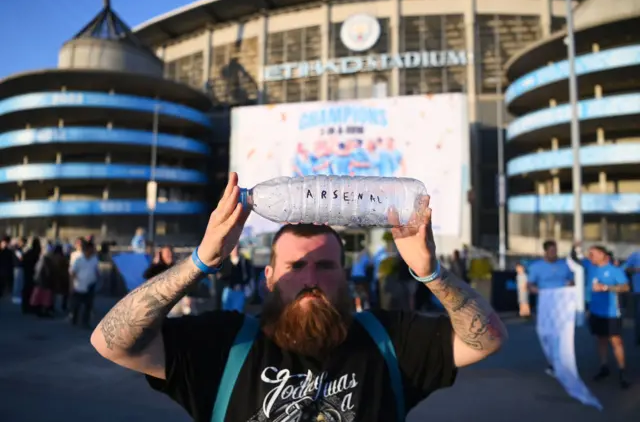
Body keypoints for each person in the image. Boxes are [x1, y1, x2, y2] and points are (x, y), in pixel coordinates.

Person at [90, 173, 507, 422]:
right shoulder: (224, 345)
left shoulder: (389, 342)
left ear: (344, 276)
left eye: (325, 267)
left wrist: (430, 272)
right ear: (268, 278)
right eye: (294, 267)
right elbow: (110, 342)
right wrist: (199, 262)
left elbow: (486, 339)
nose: (311, 279)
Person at [527, 240, 574, 376]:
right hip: (545, 303)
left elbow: (571, 281)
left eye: (555, 250)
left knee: (561, 333)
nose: (554, 253)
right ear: (546, 251)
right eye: (551, 251)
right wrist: (538, 291)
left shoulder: (563, 265)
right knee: (545, 333)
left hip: (562, 304)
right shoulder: (537, 267)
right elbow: (530, 285)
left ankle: (560, 362)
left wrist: (569, 286)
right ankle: (551, 359)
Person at [587, 246, 631, 389]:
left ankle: (622, 371)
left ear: (602, 255)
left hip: (611, 312)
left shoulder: (614, 270)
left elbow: (625, 287)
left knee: (616, 341)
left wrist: (606, 288)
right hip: (595, 311)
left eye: (592, 254)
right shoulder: (591, 268)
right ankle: (603, 367)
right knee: (601, 340)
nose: (590, 257)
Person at [69, 241, 100, 328]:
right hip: (79, 285)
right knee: (76, 305)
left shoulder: (94, 259)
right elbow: (72, 273)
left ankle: (85, 322)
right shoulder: (79, 260)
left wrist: (97, 277)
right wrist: (72, 285)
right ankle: (74, 319)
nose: (93, 250)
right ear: (87, 249)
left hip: (90, 285)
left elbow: (96, 270)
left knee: (88, 305)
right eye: (92, 249)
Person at [622, 250, 640, 345]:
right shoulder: (635, 255)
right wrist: (636, 270)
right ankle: (638, 339)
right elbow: (625, 268)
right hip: (638, 290)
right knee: (638, 316)